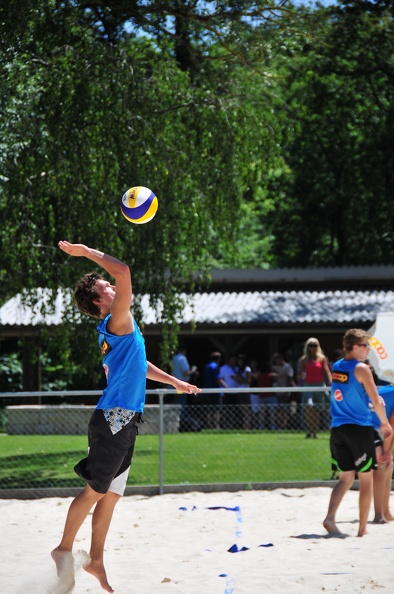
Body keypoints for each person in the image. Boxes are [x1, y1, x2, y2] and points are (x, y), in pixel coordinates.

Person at [53, 241, 200, 593]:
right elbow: (124, 270)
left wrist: (174, 381)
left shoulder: (118, 327)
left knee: (111, 494)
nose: (112, 284)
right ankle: (62, 549)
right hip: (113, 419)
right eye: (105, 285)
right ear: (98, 301)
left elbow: (140, 365)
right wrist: (85, 251)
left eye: (108, 282)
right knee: (94, 491)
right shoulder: (116, 318)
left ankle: (97, 559)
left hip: (126, 419)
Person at [323, 328, 392, 538]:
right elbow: (376, 398)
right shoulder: (362, 368)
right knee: (366, 479)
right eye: (366, 345)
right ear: (355, 347)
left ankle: (330, 518)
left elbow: (351, 394)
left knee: (345, 478)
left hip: (337, 429)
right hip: (358, 429)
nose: (369, 349)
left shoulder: (337, 366)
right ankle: (362, 529)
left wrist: (369, 402)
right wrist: (384, 423)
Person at [299, 337, 332, 438]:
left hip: (319, 385)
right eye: (310, 345)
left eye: (314, 345)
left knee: (317, 409)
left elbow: (326, 371)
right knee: (309, 407)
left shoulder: (322, 358)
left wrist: (330, 383)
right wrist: (301, 377)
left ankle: (315, 432)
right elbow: (300, 373)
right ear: (307, 347)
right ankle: (309, 430)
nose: (312, 348)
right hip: (308, 385)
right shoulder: (304, 359)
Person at [371, 384, 394, 523]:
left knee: (388, 467)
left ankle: (386, 511)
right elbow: (392, 423)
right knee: (382, 467)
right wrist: (387, 450)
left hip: (375, 426)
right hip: (368, 426)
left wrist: (388, 451)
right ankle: (379, 515)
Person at [171, 344, 199, 431]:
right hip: (182, 386)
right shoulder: (182, 358)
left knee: (177, 405)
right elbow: (185, 373)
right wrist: (194, 370)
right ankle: (182, 426)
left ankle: (176, 424)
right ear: (184, 351)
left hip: (174, 385)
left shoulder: (174, 358)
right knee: (182, 406)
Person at [271, 353, 296, 429]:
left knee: (285, 410)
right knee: (279, 410)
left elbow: (290, 379)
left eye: (277, 360)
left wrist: (287, 391)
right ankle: (279, 425)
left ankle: (284, 425)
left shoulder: (287, 367)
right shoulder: (277, 368)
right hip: (278, 392)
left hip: (285, 392)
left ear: (281, 359)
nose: (276, 362)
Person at [203, 351, 227, 428]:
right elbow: (218, 379)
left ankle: (209, 425)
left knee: (209, 409)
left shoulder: (207, 366)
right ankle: (216, 426)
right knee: (217, 409)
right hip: (215, 391)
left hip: (207, 390)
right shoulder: (215, 366)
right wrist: (226, 387)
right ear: (219, 359)